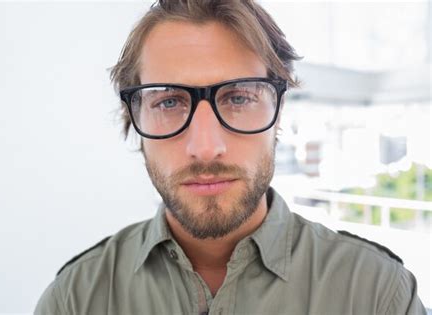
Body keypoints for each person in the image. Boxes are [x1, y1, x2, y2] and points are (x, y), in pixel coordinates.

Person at [35, 1, 427, 314]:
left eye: (239, 98)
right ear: (133, 118)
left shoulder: (378, 294)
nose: (205, 147)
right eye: (168, 101)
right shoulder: (74, 300)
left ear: (279, 111)